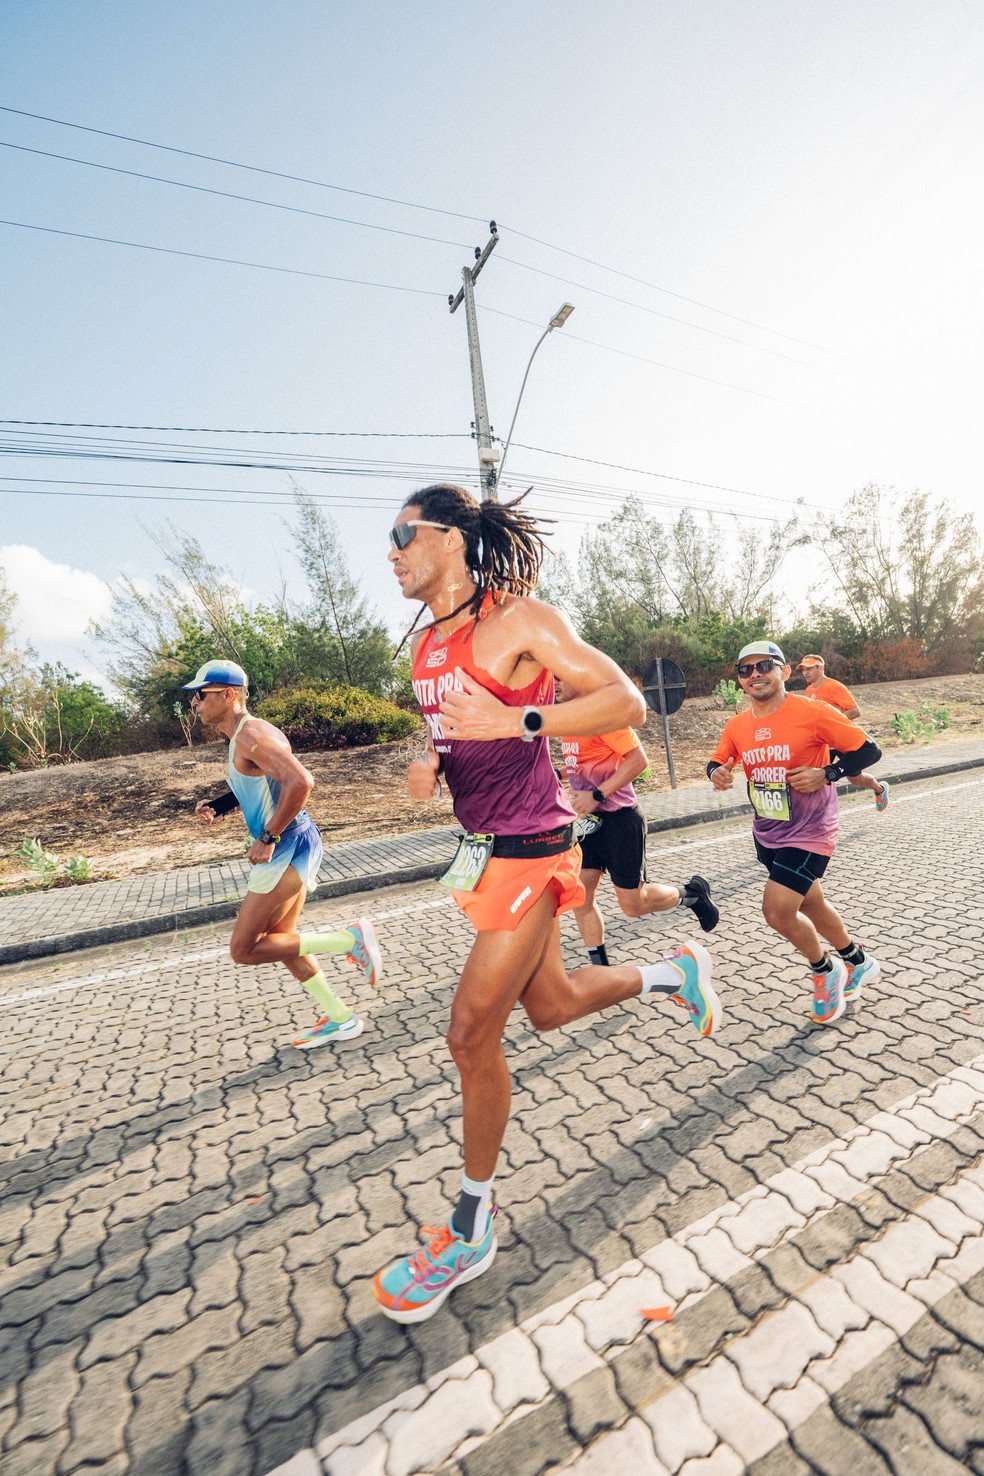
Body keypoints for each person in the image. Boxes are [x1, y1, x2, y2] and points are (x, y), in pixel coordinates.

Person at [372, 484, 722, 1324]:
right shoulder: (424, 647)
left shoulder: (520, 621)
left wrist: (520, 719)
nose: (390, 551)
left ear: (452, 540)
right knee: (554, 1006)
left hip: (533, 847)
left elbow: (624, 705)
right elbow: (456, 732)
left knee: (468, 1033)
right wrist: (433, 765)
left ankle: (471, 1226)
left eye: (402, 534)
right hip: (481, 852)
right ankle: (676, 973)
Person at [185, 659, 381, 1048]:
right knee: (283, 940)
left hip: (288, 845)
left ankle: (350, 941)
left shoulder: (250, 734)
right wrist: (221, 805)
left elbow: (300, 780)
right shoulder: (243, 736)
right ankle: (341, 1018)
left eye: (200, 695)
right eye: (194, 697)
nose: (194, 704)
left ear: (228, 695)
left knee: (244, 949)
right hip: (295, 842)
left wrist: (268, 837)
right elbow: (266, 782)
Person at [707, 640, 882, 1028]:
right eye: (745, 669)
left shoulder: (813, 711)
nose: (755, 675)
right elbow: (719, 758)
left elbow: (869, 751)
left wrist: (829, 773)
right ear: (739, 680)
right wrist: (716, 772)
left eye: (764, 666)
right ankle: (858, 961)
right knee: (811, 906)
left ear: (784, 672)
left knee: (777, 911)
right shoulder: (737, 724)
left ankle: (825, 971)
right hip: (768, 831)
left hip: (811, 829)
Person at [557, 679, 718, 962]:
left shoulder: (603, 715)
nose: (552, 683)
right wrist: (559, 774)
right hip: (589, 823)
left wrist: (597, 794)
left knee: (633, 904)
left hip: (621, 820)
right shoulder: (569, 721)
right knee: (580, 897)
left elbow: (638, 761)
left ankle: (692, 893)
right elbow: (587, 763)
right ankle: (602, 969)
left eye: (558, 677)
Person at [797, 654, 889, 811]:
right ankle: (816, 815)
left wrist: (831, 724)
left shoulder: (835, 687)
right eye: (803, 669)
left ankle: (880, 790)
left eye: (810, 668)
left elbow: (854, 711)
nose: (805, 672)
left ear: (821, 668)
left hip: (842, 742)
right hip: (825, 744)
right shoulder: (809, 690)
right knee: (814, 776)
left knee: (856, 779)